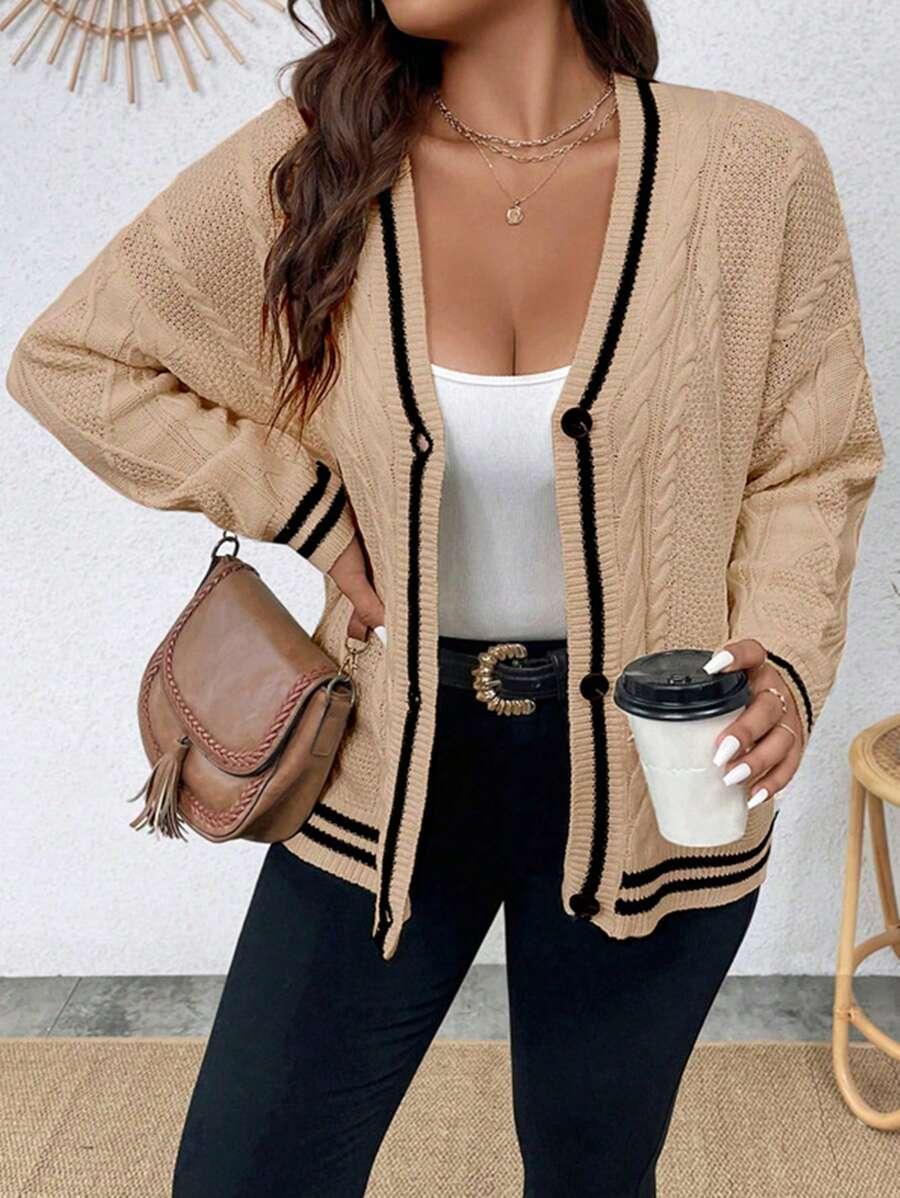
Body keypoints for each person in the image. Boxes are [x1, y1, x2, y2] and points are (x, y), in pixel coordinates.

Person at [5, 2, 886, 1194]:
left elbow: (810, 460)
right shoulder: (317, 158)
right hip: (386, 764)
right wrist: (304, 505)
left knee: (590, 1172)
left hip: (658, 774)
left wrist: (781, 651)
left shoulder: (752, 170)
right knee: (245, 1172)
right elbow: (73, 359)